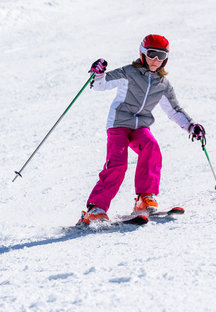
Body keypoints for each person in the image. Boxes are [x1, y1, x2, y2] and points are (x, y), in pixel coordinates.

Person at [77, 34, 206, 225]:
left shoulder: (162, 85)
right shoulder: (128, 72)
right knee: (118, 162)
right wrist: (99, 73)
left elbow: (174, 110)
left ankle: (144, 198)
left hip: (140, 126)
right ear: (143, 53)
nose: (156, 60)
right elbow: (100, 85)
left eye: (161, 56)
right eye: (152, 54)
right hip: (119, 124)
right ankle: (95, 208)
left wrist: (191, 126)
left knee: (151, 146)